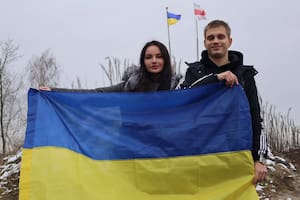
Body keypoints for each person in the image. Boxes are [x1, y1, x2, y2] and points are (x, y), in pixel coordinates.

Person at [180, 19, 268, 184]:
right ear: (205, 42)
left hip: (236, 158)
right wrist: (215, 79)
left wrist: (259, 159)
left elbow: (256, 117)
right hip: (201, 158)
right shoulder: (193, 72)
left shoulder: (245, 75)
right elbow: (185, 98)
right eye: (211, 38)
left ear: (229, 41)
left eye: (220, 37)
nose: (216, 41)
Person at [40, 40, 182, 92]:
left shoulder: (176, 87)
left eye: (159, 56)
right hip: (131, 143)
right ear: (142, 61)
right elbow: (94, 93)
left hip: (164, 145)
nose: (154, 61)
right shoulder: (130, 86)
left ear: (166, 59)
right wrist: (54, 91)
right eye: (148, 57)